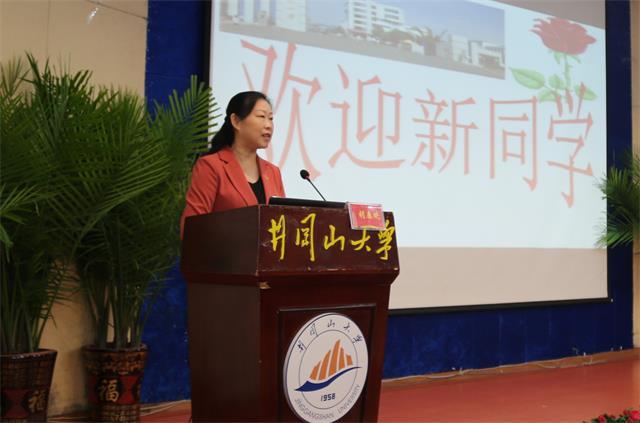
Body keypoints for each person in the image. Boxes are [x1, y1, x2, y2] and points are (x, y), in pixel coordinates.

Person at [180, 91, 285, 236]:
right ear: (236, 121)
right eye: (261, 117)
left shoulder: (272, 172)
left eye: (271, 118)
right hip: (223, 251)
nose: (268, 125)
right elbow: (192, 229)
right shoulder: (211, 166)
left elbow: (283, 223)